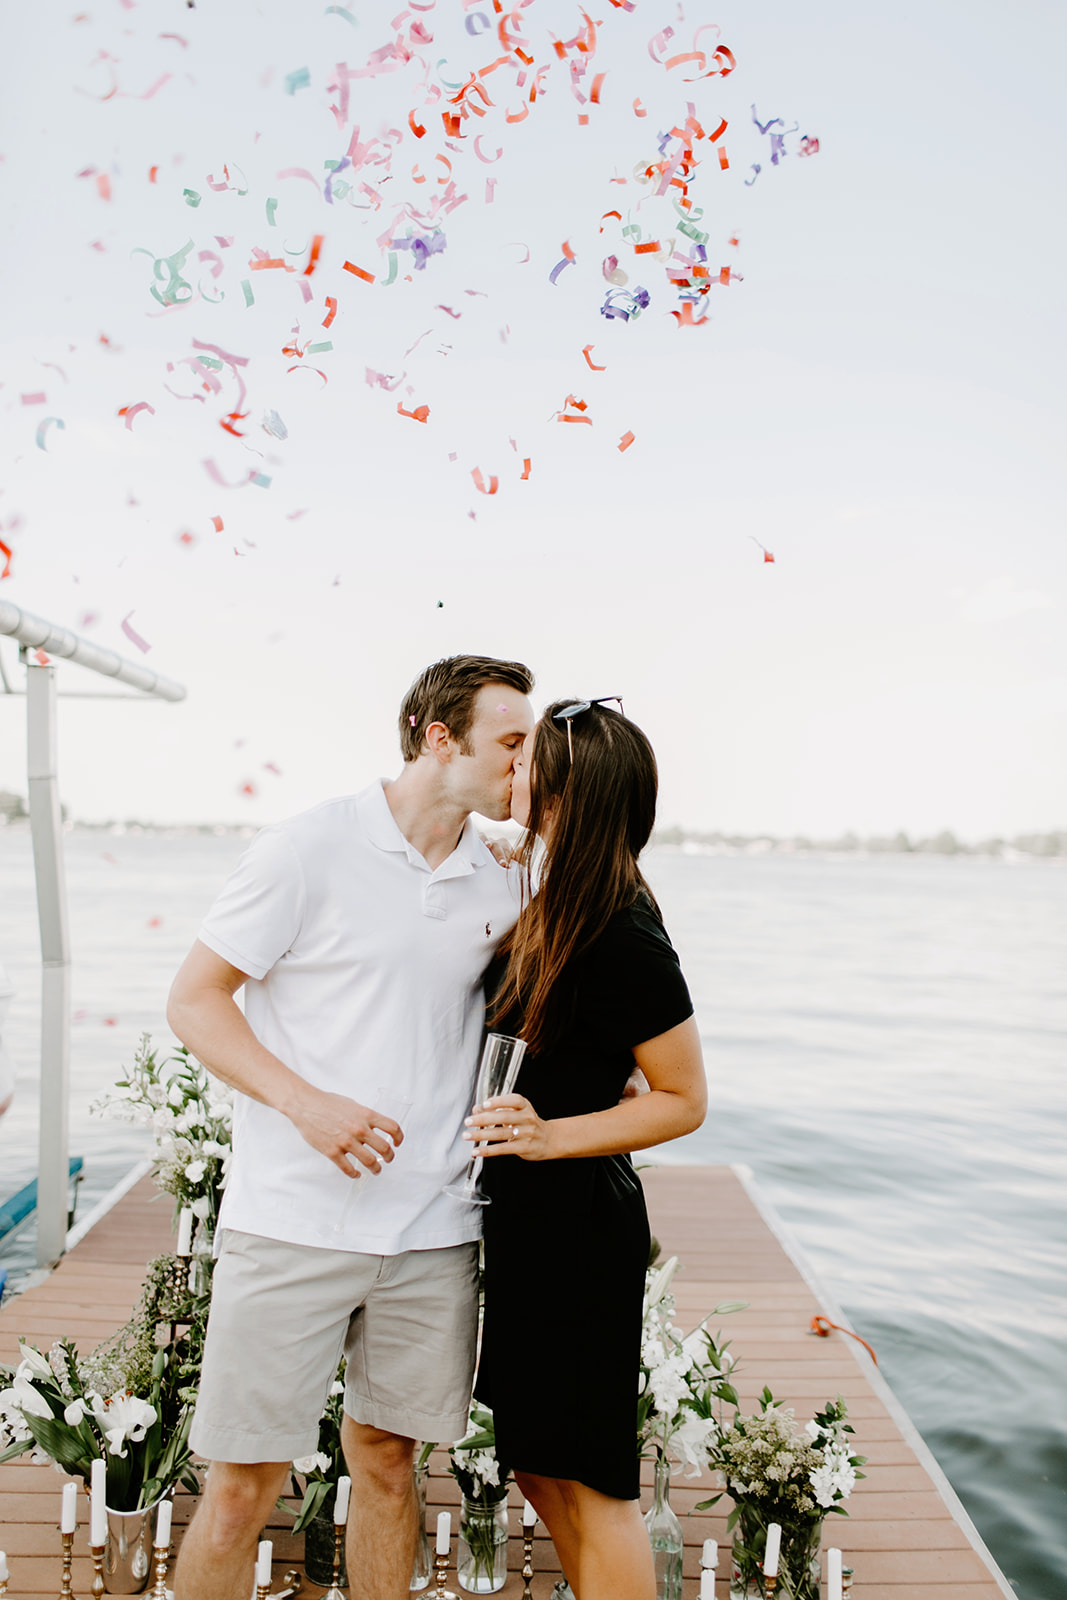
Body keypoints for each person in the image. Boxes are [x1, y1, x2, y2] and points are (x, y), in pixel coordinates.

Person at [166, 655, 535, 1600]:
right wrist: (305, 1103)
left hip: (433, 1231)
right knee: (243, 1487)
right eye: (510, 742)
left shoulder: (503, 875)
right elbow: (197, 1002)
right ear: (436, 736)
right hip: (291, 1222)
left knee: (386, 1464)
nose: (524, 763)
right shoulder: (305, 848)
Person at [467, 698, 707, 1600]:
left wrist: (547, 1134)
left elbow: (684, 1099)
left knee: (594, 1484)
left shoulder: (620, 924)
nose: (512, 768)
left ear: (562, 791)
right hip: (531, 1226)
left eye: (527, 759)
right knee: (536, 1468)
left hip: (578, 1233)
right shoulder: (558, 895)